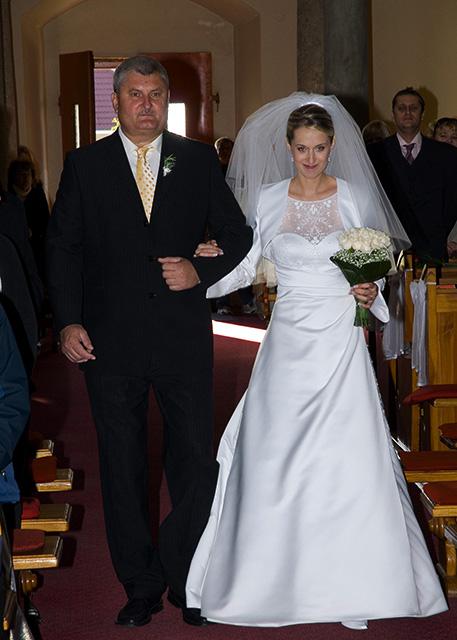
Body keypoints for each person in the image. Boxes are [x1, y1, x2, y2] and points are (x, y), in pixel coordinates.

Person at [185, 94, 447, 629]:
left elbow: (375, 268)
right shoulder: (266, 198)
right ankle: (268, 579)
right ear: (288, 147)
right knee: (274, 451)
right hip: (287, 339)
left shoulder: (352, 196)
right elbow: (249, 266)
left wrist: (370, 290)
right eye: (302, 148)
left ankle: (353, 585)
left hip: (339, 337)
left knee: (345, 453)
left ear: (332, 147)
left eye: (320, 148)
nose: (310, 158)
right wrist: (201, 273)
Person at [46, 55, 252, 628]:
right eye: (134, 94)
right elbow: (63, 248)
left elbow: (238, 234)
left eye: (155, 94)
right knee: (123, 464)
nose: (145, 104)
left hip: (182, 338)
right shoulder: (85, 165)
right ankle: (139, 584)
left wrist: (199, 271)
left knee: (193, 462)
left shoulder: (196, 160)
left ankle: (189, 580)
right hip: (108, 342)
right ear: (116, 101)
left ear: (166, 101)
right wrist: (67, 321)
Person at [368, 87, 457, 263]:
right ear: (393, 114)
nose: (407, 113)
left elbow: (452, 201)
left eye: (413, 108)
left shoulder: (446, 154)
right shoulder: (374, 153)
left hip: (433, 247)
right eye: (401, 108)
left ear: (422, 114)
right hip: (389, 246)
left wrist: (438, 232)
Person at [213, 137, 257, 316]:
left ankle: (246, 300)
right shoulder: (214, 169)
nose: (225, 152)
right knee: (221, 260)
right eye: (222, 149)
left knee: (241, 257)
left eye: (229, 149)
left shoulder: (242, 171)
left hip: (240, 219)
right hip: (219, 222)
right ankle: (222, 302)